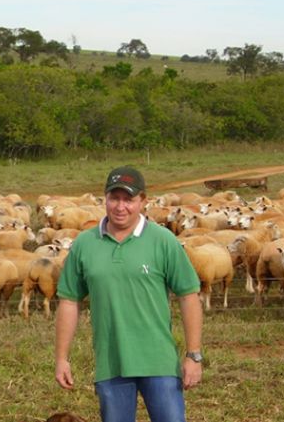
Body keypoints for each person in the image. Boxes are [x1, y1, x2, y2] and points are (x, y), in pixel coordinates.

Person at [54, 166, 204, 422]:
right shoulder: (84, 244)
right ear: (105, 199)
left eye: (129, 199)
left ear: (142, 201)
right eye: (114, 198)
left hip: (160, 363)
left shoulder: (163, 240)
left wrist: (194, 355)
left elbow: (189, 296)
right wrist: (61, 358)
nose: (120, 207)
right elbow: (69, 301)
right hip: (111, 365)